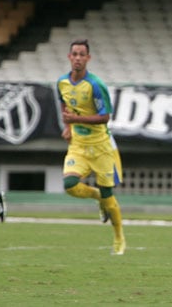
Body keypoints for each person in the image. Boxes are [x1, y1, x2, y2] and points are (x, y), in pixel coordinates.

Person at [56, 38, 126, 255]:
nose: (77, 58)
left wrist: (75, 121)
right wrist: (68, 127)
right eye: (74, 54)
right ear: (69, 57)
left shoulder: (95, 85)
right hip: (79, 146)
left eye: (81, 54)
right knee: (69, 184)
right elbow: (65, 104)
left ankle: (119, 238)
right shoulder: (62, 82)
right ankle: (97, 197)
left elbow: (105, 117)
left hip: (101, 147)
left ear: (88, 58)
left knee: (109, 193)